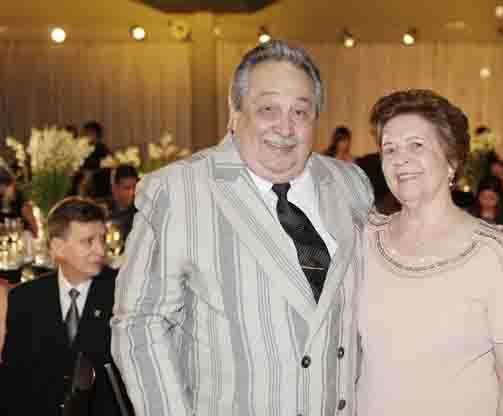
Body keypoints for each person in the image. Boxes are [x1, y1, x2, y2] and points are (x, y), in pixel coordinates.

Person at [111, 40, 373, 416]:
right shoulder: (179, 191)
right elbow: (139, 323)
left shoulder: (351, 185)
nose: (285, 127)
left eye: (300, 111)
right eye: (268, 109)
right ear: (234, 113)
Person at [358, 89, 503, 416]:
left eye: (416, 145)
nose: (400, 159)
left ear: (451, 159)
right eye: (390, 148)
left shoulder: (491, 251)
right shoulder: (365, 239)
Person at [1, 197, 124, 415]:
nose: (100, 250)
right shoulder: (25, 299)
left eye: (102, 239)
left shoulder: (121, 294)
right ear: (58, 247)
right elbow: (14, 382)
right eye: (88, 241)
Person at [99, 164, 139, 243]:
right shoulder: (100, 211)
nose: (133, 192)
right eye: (127, 188)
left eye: (135, 187)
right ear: (114, 188)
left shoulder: (141, 212)